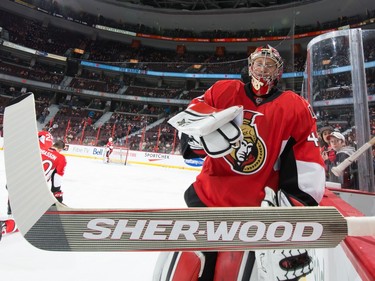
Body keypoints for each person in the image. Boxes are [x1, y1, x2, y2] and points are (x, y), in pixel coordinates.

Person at [160, 45, 326, 281]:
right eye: (259, 63)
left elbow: (307, 164)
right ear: (249, 66)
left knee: (234, 274)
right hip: (206, 203)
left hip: (252, 217)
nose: (263, 69)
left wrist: (291, 215)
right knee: (182, 272)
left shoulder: (295, 107)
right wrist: (198, 137)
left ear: (279, 72)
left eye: (269, 65)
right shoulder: (223, 91)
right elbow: (189, 122)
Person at [7, 131, 67, 214]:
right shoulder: (60, 158)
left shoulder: (38, 149)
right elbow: (56, 181)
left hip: (19, 182)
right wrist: (58, 197)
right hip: (35, 189)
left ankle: (10, 213)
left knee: (13, 207)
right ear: (60, 149)